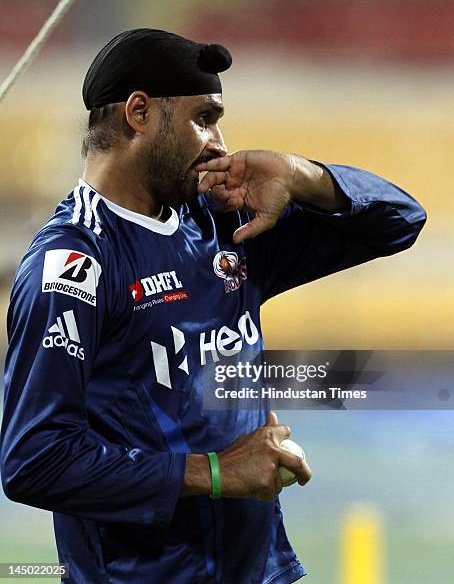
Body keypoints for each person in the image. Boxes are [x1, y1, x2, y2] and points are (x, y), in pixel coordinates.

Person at [0, 29, 426, 584]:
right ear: (138, 113)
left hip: (256, 571)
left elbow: (401, 221)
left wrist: (301, 176)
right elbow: (35, 460)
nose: (220, 144)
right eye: (205, 118)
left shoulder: (225, 225)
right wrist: (218, 473)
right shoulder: (73, 265)